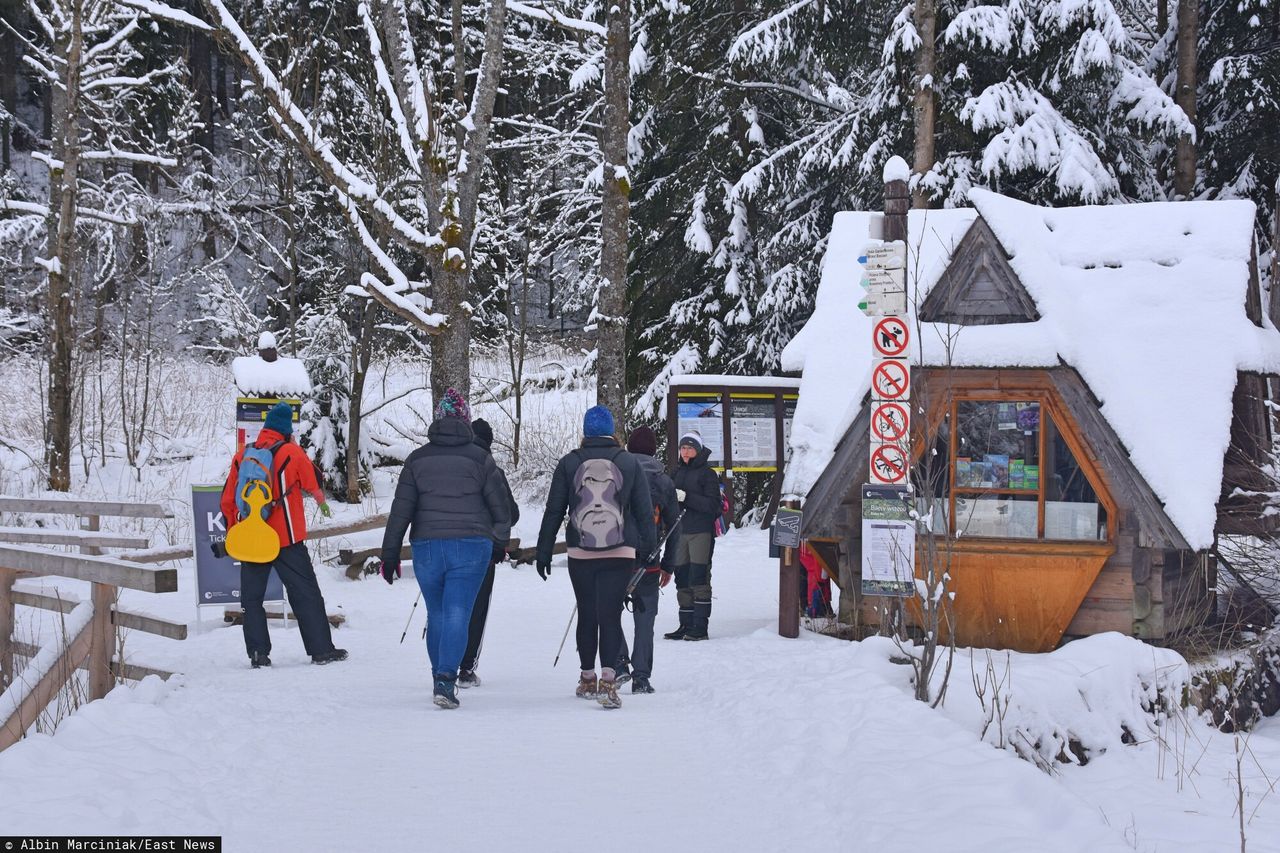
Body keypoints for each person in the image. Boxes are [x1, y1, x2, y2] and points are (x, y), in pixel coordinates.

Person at [380, 389, 512, 709]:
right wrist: (499, 542)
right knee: (458, 612)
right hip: (471, 546)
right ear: (465, 420)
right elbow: (502, 510)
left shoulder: (417, 459)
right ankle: (446, 678)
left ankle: (439, 675)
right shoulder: (481, 459)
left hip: (427, 547)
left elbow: (402, 510)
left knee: (437, 612)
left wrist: (390, 553)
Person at [535, 405, 655, 709]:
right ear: (611, 430)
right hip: (621, 550)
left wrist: (544, 549)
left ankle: (587, 678)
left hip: (580, 550)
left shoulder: (569, 462)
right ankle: (608, 682)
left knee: (587, 612)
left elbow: (554, 510)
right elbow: (643, 510)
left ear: (585, 433)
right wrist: (649, 551)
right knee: (610, 615)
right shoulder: (628, 462)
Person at [219, 401, 347, 668]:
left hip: (254, 537)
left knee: (251, 598)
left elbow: (228, 500)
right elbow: (315, 481)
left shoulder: (244, 455)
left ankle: (258, 654)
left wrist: (235, 530)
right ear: (287, 430)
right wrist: (321, 500)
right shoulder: (292, 452)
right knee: (305, 593)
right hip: (287, 538)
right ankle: (321, 650)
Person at [614, 426, 679, 693]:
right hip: (650, 560)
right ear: (654, 450)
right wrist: (669, 566)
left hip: (616, 556)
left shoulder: (617, 475)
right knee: (645, 621)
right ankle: (642, 677)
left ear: (629, 447)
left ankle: (619, 664)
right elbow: (675, 525)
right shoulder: (663, 482)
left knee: (610, 613)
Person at [457, 418, 520, 688]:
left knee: (453, 605)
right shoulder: (493, 470)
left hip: (449, 546)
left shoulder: (454, 468)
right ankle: (467, 667)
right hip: (484, 549)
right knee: (478, 607)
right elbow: (511, 514)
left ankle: (445, 662)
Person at [665, 431, 722, 641]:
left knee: (699, 577)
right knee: (682, 578)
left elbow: (713, 506)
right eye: (683, 447)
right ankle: (685, 625)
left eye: (690, 447)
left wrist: (686, 497)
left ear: (698, 450)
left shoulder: (708, 474)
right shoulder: (676, 472)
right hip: (679, 532)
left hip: (701, 531)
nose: (686, 451)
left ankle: (700, 627)